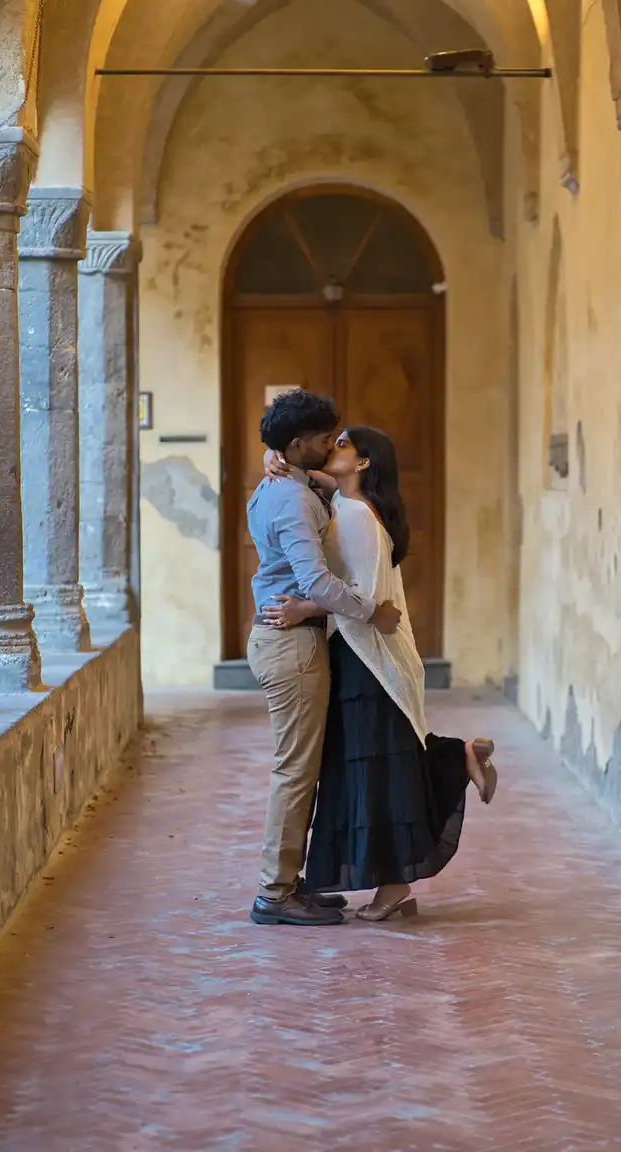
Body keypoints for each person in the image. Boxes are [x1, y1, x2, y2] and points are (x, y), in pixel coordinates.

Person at [262, 425, 498, 922]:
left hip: (369, 657)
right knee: (382, 766)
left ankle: (393, 888)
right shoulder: (345, 506)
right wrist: (277, 457)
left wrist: (304, 608)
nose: (332, 447)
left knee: (377, 775)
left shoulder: (356, 517)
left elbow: (361, 594)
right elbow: (315, 481)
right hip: (362, 652)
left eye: (343, 443)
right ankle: (460, 758)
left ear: (364, 463)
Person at [246, 391, 403, 928]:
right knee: (294, 770)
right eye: (321, 438)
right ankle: (274, 893)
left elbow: (318, 486)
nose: (329, 444)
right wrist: (367, 608)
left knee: (303, 768)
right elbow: (313, 580)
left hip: (294, 637)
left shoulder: (285, 483)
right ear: (296, 444)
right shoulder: (289, 497)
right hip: (290, 643)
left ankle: (290, 884)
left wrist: (283, 461)